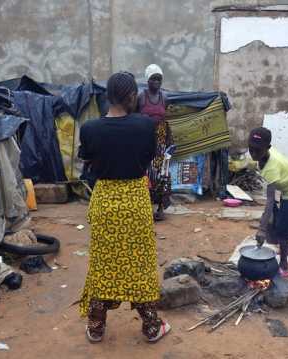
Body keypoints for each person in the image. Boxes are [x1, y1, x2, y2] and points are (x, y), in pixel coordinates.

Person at [78, 71, 171, 344]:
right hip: (135, 200)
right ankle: (152, 327)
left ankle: (96, 327)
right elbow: (148, 160)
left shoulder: (89, 129)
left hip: (105, 200)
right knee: (140, 266)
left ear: (108, 96)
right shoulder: (145, 126)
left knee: (102, 264)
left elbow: (89, 166)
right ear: (132, 96)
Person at [248, 127, 288, 278]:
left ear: (267, 148)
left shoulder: (271, 168)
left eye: (258, 150)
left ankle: (283, 265)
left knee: (283, 226)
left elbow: (269, 202)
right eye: (251, 149)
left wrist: (262, 229)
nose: (253, 154)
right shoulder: (265, 155)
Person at [138, 64, 173, 221]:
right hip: (144, 139)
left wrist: (170, 142)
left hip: (160, 141)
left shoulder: (164, 98)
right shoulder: (140, 97)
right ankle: (145, 208)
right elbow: (133, 118)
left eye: (159, 79)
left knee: (161, 174)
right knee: (145, 173)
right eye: (153, 78)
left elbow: (166, 121)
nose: (157, 82)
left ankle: (160, 208)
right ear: (147, 80)